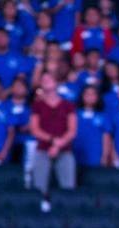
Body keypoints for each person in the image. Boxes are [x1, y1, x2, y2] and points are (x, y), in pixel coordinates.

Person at [30, 71, 76, 213]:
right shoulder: (37, 105)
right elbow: (34, 129)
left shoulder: (68, 105)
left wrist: (58, 144)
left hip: (64, 149)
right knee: (39, 186)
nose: (46, 80)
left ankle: (67, 215)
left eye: (49, 78)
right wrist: (52, 140)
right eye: (43, 79)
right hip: (43, 149)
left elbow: (72, 130)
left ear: (56, 82)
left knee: (68, 187)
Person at [74, 84, 113, 168]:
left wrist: (105, 156)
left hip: (96, 155)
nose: (90, 97)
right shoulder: (74, 114)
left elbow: (106, 138)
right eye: (87, 94)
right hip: (77, 154)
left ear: (97, 97)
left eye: (93, 94)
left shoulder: (103, 116)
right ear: (82, 96)